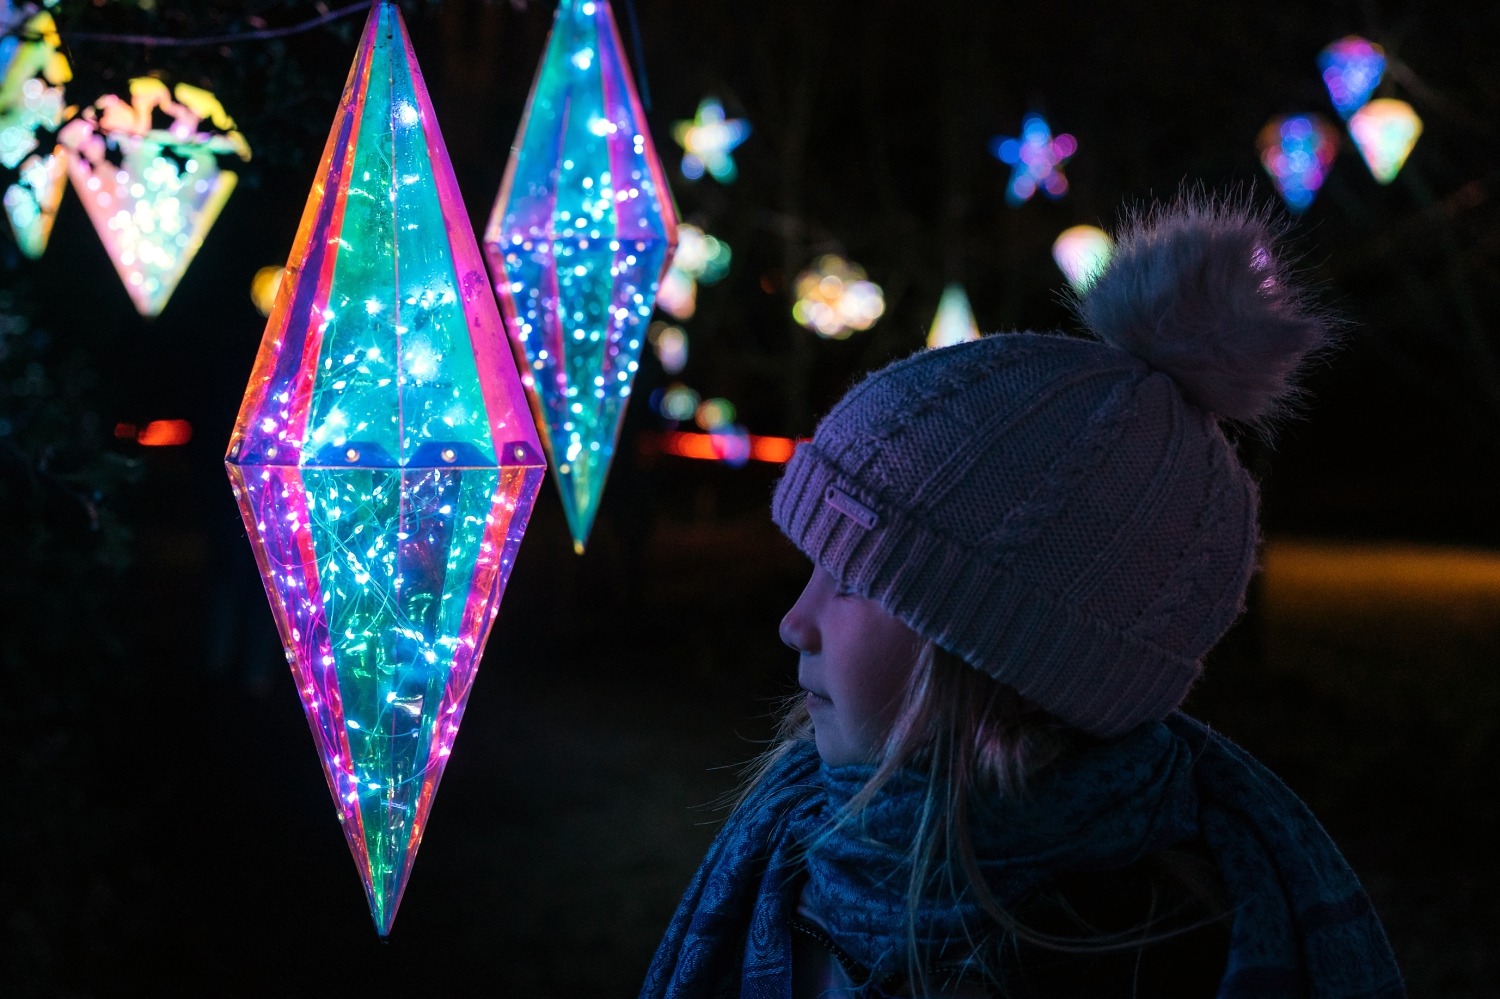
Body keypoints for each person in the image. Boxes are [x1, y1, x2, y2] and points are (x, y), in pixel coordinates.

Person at [640, 194, 1405, 998]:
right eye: (814, 570)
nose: (795, 622)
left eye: (858, 581)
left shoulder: (1151, 956)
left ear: (1014, 667)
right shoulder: (791, 860)